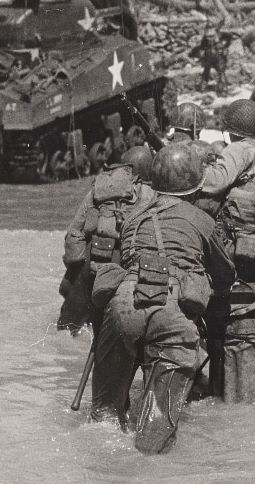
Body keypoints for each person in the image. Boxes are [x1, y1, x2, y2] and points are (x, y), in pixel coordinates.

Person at [95, 144, 234, 454]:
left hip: (124, 304)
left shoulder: (132, 217)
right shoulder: (202, 220)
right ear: (196, 185)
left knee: (104, 417)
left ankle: (104, 467)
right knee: (157, 430)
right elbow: (225, 275)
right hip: (171, 312)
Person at [58, 144, 156, 343]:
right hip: (124, 266)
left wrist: (73, 271)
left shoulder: (101, 188)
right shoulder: (153, 195)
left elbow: (74, 233)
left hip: (90, 262)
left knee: (68, 333)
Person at [198, 99, 255, 282]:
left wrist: (190, 171)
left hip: (237, 240)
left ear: (231, 129)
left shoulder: (239, 149)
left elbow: (217, 181)